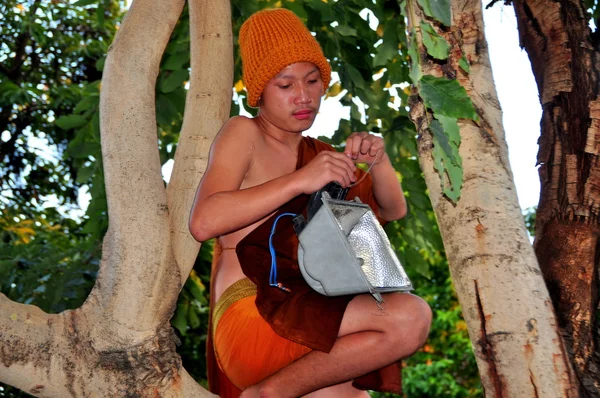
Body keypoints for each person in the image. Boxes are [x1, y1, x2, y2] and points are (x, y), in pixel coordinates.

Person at [189, 8, 432, 398]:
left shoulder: (320, 156)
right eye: (285, 85)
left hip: (311, 308)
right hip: (254, 314)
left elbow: (391, 211)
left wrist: (379, 162)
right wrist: (300, 180)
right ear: (259, 92)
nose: (303, 96)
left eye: (313, 81)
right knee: (409, 315)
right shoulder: (244, 133)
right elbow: (203, 222)